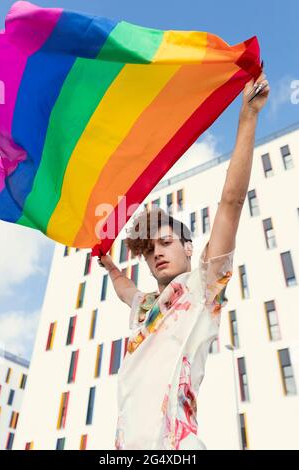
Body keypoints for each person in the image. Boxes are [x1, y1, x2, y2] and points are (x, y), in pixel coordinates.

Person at [98, 71, 270, 450]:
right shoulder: (144, 307)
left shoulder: (202, 288)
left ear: (188, 247)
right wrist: (111, 267)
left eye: (166, 242)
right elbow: (126, 289)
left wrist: (248, 118)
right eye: (150, 249)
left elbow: (231, 204)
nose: (158, 252)